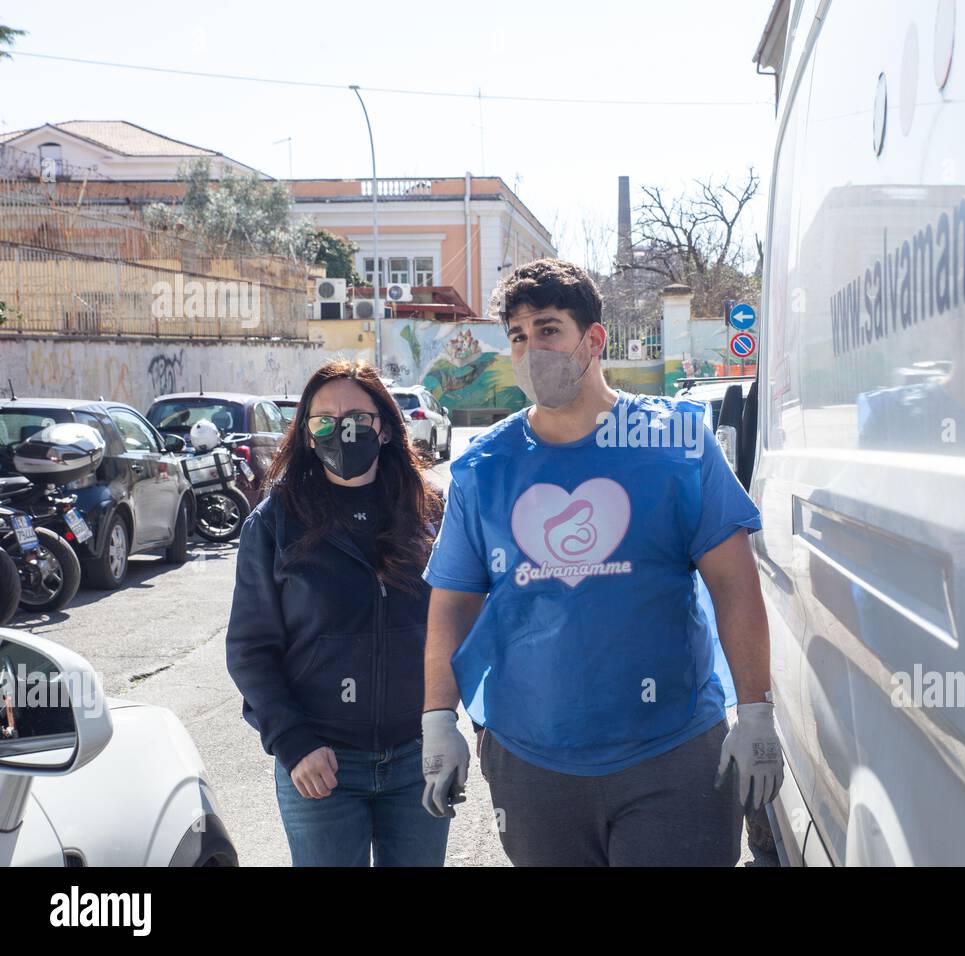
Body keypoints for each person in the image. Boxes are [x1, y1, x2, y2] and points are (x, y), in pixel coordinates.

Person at [419, 258, 783, 866]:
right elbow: (453, 602)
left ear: (594, 339)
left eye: (548, 329)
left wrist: (755, 713)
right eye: (517, 336)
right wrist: (437, 718)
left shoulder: (676, 443)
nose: (532, 348)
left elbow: (735, 585)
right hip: (533, 762)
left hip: (673, 753)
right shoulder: (483, 468)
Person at [226, 360, 449, 866]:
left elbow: (458, 625)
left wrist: (458, 723)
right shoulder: (275, 521)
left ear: (386, 427)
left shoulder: (428, 511)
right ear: (306, 434)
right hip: (320, 764)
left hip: (418, 757)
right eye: (321, 420)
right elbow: (250, 649)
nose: (337, 429)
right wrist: (293, 742)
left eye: (354, 416)